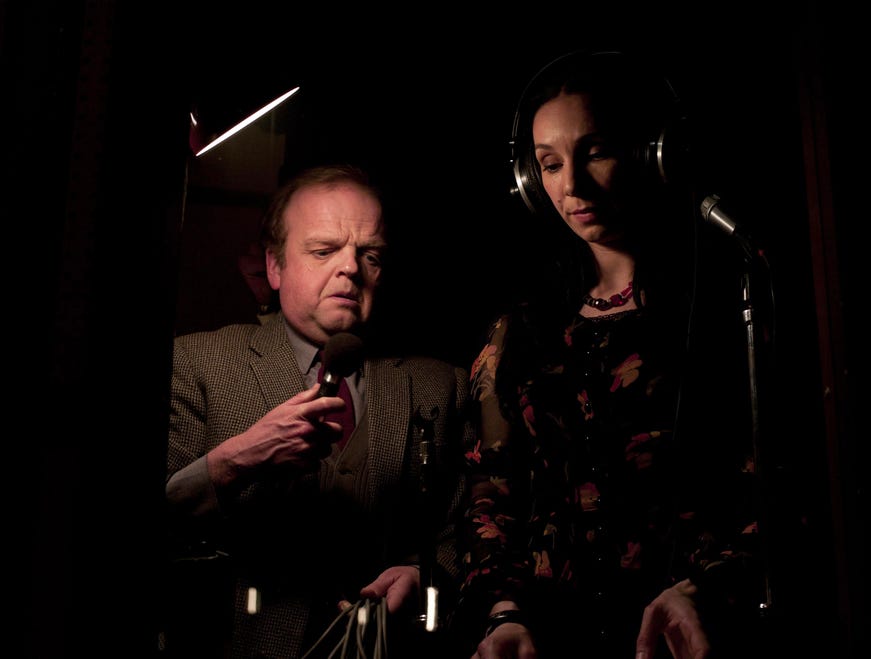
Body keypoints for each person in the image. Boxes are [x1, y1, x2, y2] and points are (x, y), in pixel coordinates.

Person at [451, 51, 767, 658]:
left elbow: (777, 484)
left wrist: (710, 587)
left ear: (651, 153)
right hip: (551, 639)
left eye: (595, 152)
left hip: (690, 634)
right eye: (550, 164)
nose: (572, 185)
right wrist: (503, 613)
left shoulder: (719, 308)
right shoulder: (519, 331)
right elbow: (492, 491)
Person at [164, 164, 472, 658]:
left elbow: (466, 528)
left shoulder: (441, 384)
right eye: (324, 250)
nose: (350, 268)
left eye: (370, 254)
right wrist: (234, 462)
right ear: (274, 266)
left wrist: (425, 573)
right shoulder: (196, 364)